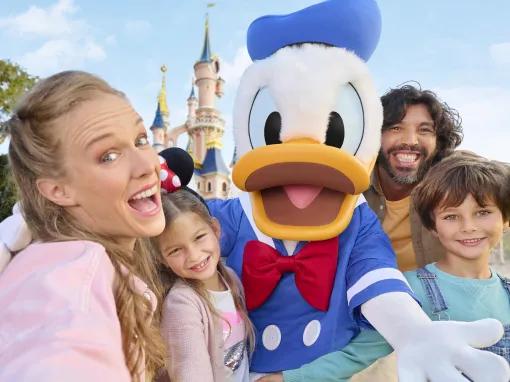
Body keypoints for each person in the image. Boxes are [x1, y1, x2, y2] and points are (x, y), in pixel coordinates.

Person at [261, 151, 510, 381]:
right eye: (451, 217)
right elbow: (357, 355)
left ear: (505, 219)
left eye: (482, 212)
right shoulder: (409, 290)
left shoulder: (506, 292)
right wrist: (288, 379)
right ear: (433, 226)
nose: (468, 226)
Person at [0, 70, 166, 381]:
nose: (149, 165)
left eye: (141, 140)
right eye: (108, 156)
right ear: (58, 190)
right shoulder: (71, 277)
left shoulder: (87, 261)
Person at [153, 187, 254, 382]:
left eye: (199, 238)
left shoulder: (231, 280)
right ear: (162, 259)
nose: (194, 255)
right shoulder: (181, 304)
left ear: (215, 229)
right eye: (175, 250)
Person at [364, 84, 464, 271]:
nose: (410, 141)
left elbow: (495, 176)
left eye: (424, 130)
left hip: (435, 298)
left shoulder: (454, 174)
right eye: (395, 128)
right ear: (374, 135)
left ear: (439, 142)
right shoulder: (349, 181)